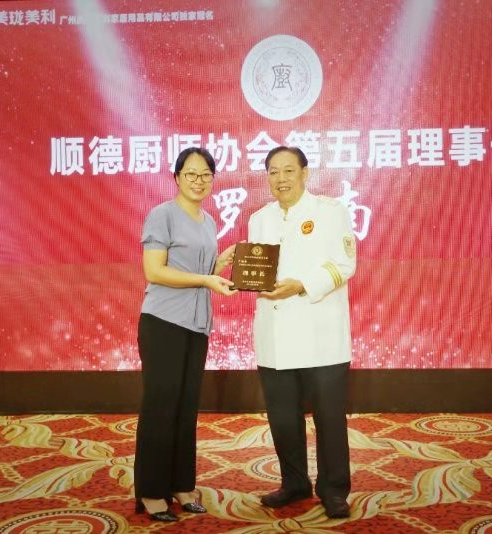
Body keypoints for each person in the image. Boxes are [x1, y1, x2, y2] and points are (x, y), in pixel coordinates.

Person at [248, 146, 357, 519]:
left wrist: (301, 285)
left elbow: (345, 263)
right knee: (282, 418)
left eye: (288, 170)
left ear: (305, 173)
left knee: (329, 419)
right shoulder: (259, 219)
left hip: (321, 335)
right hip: (276, 337)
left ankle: (334, 489)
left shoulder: (330, 211)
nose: (281, 179)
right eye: (273, 172)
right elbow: (258, 272)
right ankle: (294, 483)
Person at [134, 147, 237, 522]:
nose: (198, 181)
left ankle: (181, 484)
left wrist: (220, 264)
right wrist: (206, 279)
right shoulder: (162, 214)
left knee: (186, 408)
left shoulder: (208, 221)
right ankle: (151, 491)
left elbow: (198, 271)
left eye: (205, 174)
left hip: (196, 325)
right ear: (176, 177)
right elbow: (155, 271)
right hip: (163, 322)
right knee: (160, 408)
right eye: (191, 174)